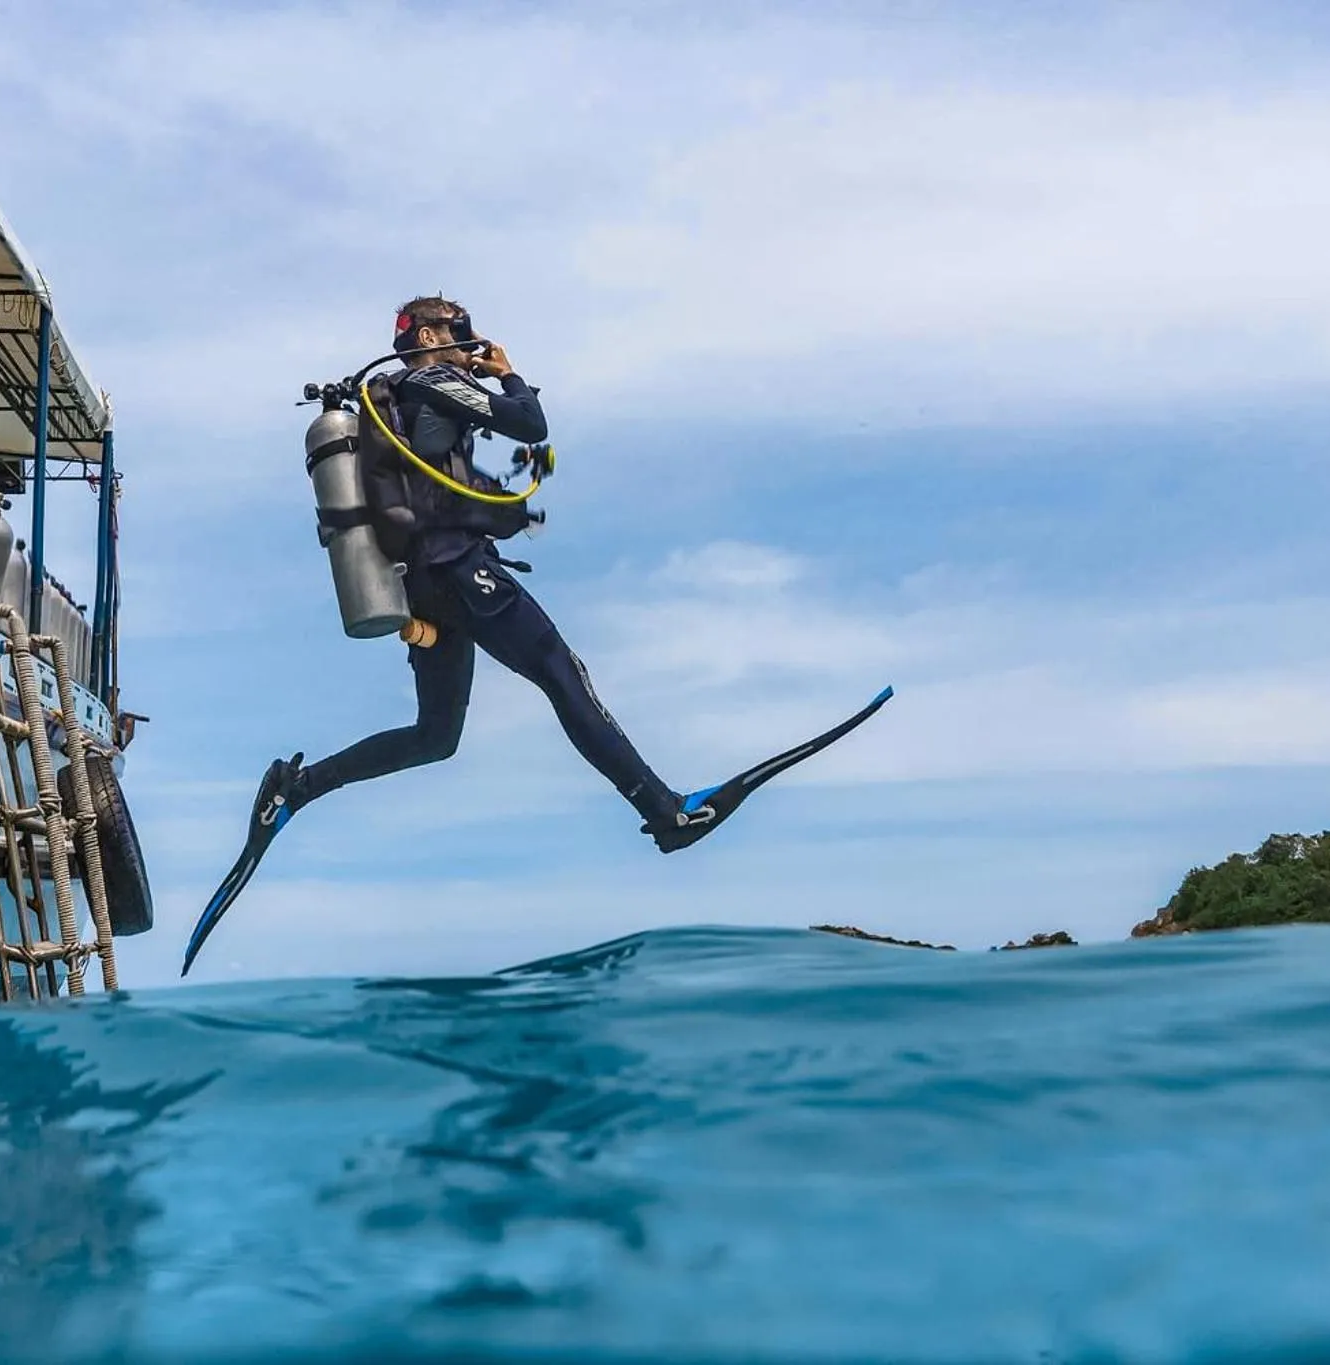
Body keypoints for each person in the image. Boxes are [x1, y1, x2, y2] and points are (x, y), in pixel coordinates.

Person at [180, 296, 893, 974]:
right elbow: (528, 421)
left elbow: (447, 489)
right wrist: (507, 372)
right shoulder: (433, 382)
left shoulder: (412, 411)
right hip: (457, 572)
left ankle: (295, 792)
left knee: (436, 736)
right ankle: (666, 810)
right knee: (561, 670)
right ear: (426, 336)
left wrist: (510, 509)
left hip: (430, 577)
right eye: (458, 327)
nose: (469, 340)